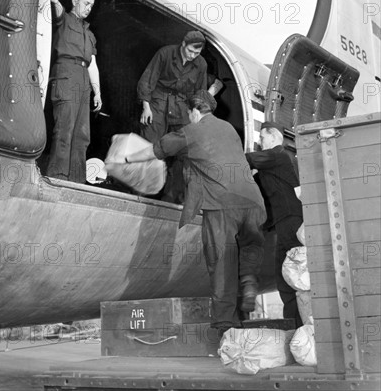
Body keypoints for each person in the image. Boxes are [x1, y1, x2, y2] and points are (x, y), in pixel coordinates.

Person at [125, 90, 266, 334]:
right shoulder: (229, 129)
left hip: (222, 203)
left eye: (188, 113)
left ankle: (224, 325)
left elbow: (157, 150)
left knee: (221, 262)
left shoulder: (191, 131)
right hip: (254, 202)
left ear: (194, 112)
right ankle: (249, 280)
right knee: (249, 249)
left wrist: (127, 159)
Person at [46, 0, 102, 183]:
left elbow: (93, 65)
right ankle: (58, 176)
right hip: (66, 75)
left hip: (83, 82)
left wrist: (97, 92)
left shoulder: (89, 33)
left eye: (92, 5)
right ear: (75, 2)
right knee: (64, 131)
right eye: (86, 4)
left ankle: (76, 180)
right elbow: (52, 0)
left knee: (82, 135)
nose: (89, 8)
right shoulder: (64, 20)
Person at [137, 31, 208, 202]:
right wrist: (146, 106)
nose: (192, 56)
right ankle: (140, 195)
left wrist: (199, 115)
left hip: (182, 107)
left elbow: (200, 93)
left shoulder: (201, 65)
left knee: (185, 151)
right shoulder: (165, 53)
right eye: (190, 51)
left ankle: (172, 198)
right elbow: (147, 80)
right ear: (183, 44)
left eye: (197, 53)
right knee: (150, 146)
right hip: (158, 103)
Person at [245, 121, 304, 328]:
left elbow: (248, 159)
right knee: (284, 278)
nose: (260, 142)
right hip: (282, 224)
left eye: (262, 137)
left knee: (294, 276)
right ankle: (295, 326)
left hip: (291, 221)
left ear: (273, 136)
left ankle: (301, 325)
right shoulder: (272, 164)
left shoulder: (278, 155)